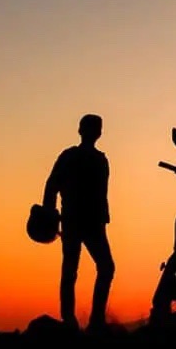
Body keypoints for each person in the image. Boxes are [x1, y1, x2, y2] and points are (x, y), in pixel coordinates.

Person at [42, 114, 115, 331]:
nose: (95, 132)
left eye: (96, 128)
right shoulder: (70, 156)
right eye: (91, 128)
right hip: (75, 221)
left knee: (102, 267)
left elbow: (101, 193)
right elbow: (52, 185)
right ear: (82, 131)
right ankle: (71, 320)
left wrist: (104, 218)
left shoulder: (100, 160)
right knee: (73, 269)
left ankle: (94, 320)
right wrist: (50, 214)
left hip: (92, 223)